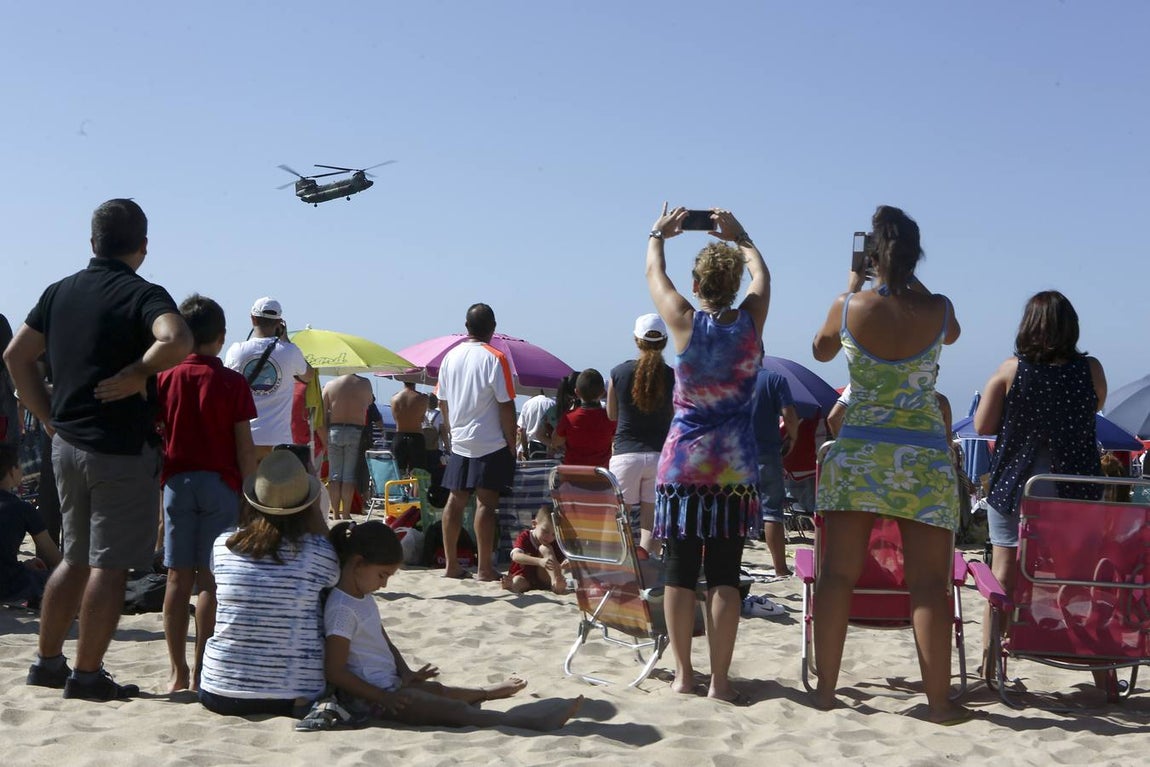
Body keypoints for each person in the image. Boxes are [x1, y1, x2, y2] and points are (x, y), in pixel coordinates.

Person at [5, 198, 193, 701]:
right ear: (143, 247)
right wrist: (138, 372)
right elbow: (176, 338)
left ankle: (47, 663)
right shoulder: (142, 294)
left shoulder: (59, 292)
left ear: (92, 243)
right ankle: (87, 676)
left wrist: (48, 418)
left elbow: (16, 356)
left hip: (66, 445)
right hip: (119, 449)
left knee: (74, 558)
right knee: (109, 566)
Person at [811, 205, 968, 724]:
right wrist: (905, 279)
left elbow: (821, 350)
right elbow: (953, 335)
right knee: (928, 586)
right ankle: (939, 703)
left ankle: (827, 693)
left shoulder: (849, 304)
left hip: (858, 455)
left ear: (873, 252)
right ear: (916, 253)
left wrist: (855, 280)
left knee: (837, 576)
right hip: (922, 457)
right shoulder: (939, 307)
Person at [646, 205, 768, 703]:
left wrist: (659, 233)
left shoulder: (682, 321)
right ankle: (720, 680)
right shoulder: (751, 321)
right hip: (734, 467)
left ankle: (683, 675)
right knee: (723, 573)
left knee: (678, 571)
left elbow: (654, 271)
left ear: (697, 286)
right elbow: (763, 273)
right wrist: (743, 237)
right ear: (735, 284)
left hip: (683, 466)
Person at [297, 519, 582, 732]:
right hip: (373, 700)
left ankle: (486, 692)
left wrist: (405, 671)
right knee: (456, 712)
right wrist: (383, 696)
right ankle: (530, 723)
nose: (384, 584)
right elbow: (334, 671)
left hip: (392, 686)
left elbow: (381, 638)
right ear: (358, 563)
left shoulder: (361, 595)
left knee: (440, 691)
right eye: (383, 575)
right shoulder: (342, 609)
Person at [973, 290, 1105, 683]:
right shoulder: (1091, 369)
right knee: (1081, 575)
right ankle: (1100, 668)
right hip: (1076, 489)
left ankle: (991, 665)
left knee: (1003, 574)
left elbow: (982, 427)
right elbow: (1095, 406)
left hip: (1017, 486)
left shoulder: (1012, 370)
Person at [156, 294, 258, 692]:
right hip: (220, 483)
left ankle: (176, 671)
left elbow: (158, 436)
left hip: (177, 482)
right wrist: (251, 497)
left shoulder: (165, 377)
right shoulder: (232, 382)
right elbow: (244, 446)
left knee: (176, 579)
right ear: (221, 337)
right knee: (210, 583)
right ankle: (202, 670)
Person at [198, 450, 337, 717]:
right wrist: (316, 517)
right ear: (308, 504)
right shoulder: (319, 552)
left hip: (219, 691)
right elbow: (335, 578)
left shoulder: (224, 545)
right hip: (293, 695)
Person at [436, 304, 516, 581]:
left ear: (466, 327)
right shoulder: (495, 357)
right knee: (486, 504)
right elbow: (506, 405)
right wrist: (512, 441)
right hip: (490, 440)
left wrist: (451, 430)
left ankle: (450, 564)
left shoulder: (450, 357)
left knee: (455, 501)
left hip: (460, 440)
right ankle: (484, 567)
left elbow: (442, 401)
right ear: (493, 328)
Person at [607, 313, 675, 556]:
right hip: (659, 455)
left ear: (637, 340)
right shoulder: (671, 376)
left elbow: (612, 415)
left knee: (618, 521)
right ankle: (647, 573)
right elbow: (674, 416)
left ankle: (622, 571)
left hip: (626, 454)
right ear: (664, 342)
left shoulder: (618, 372)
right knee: (652, 525)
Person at [224, 297, 314, 462]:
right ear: (280, 322)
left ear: (253, 318)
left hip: (245, 436)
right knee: (275, 487)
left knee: (246, 486)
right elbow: (308, 375)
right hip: (279, 438)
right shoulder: (289, 351)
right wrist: (285, 339)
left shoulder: (236, 351)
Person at [0, 443, 62, 608]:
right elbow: (53, 556)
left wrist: (22, 566)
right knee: (53, 578)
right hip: (8, 587)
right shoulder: (22, 508)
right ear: (12, 471)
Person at [751, 368, 799, 578]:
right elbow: (789, 416)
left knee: (732, 511)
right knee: (771, 512)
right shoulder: (774, 379)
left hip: (732, 454)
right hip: (765, 452)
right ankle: (780, 568)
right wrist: (793, 437)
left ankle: (730, 566)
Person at [323, 374, 376, 520]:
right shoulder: (365, 383)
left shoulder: (330, 384)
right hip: (355, 430)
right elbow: (369, 402)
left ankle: (335, 513)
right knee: (348, 476)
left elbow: (323, 411)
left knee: (334, 475)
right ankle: (346, 513)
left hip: (334, 430)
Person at [552, 369, 615, 469]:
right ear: (603, 392)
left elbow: (555, 442)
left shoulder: (569, 418)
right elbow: (613, 439)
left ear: (576, 392)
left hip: (573, 476)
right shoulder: (610, 418)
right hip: (601, 477)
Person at [501, 505, 570, 594]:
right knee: (518, 581)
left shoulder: (553, 542)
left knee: (545, 548)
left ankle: (555, 583)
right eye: (545, 531)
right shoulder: (525, 537)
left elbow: (563, 558)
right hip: (524, 576)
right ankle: (510, 586)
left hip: (544, 579)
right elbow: (515, 556)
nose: (549, 537)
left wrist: (568, 562)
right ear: (534, 524)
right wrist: (539, 561)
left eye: (554, 534)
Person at [390, 382, 428, 476]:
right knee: (418, 475)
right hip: (416, 438)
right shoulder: (423, 398)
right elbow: (422, 419)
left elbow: (395, 418)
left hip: (399, 436)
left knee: (398, 474)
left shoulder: (394, 398)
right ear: (415, 381)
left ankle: (399, 490)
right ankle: (415, 491)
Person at [516, 391, 555, 460]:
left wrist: (525, 451)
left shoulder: (527, 404)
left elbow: (522, 431)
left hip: (533, 446)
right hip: (550, 444)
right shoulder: (553, 403)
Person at [421, 393, 449, 483]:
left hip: (423, 448)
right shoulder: (439, 415)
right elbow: (444, 433)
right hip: (436, 448)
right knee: (435, 474)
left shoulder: (422, 413)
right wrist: (448, 448)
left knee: (423, 473)